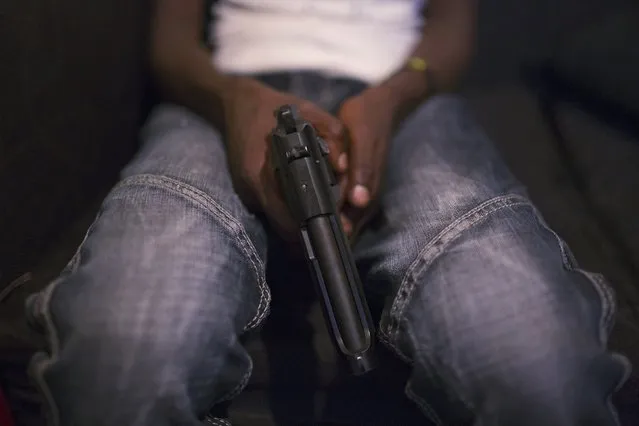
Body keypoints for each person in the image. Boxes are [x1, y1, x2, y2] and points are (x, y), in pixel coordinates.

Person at [25, 0, 630, 425]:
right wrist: (233, 100)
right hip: (226, 96)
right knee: (127, 345)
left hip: (401, 102)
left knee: (528, 353)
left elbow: (451, 29)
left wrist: (393, 98)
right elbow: (171, 42)